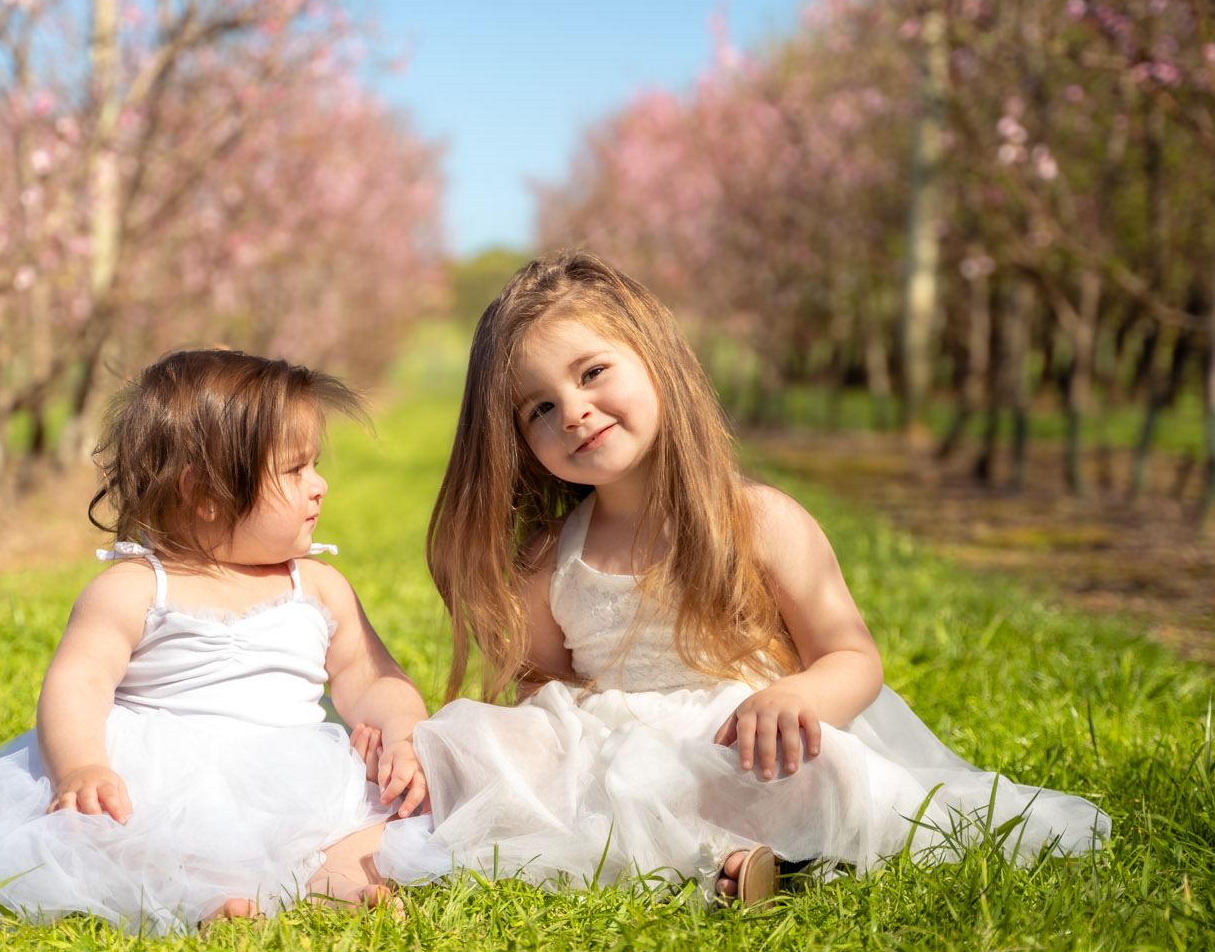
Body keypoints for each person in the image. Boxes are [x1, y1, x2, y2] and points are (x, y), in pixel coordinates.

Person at [376, 251, 1110, 904]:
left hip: (747, 745)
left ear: (656, 358)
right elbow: (543, 686)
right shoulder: (551, 558)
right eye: (539, 408)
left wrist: (796, 696)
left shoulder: (756, 520)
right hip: (620, 748)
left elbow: (853, 657)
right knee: (493, 745)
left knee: (812, 775)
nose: (574, 411)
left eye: (592, 372)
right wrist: (549, 748)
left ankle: (737, 851)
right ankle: (730, 862)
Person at [0, 349, 430, 934]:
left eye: (315, 466)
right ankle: (207, 901)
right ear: (206, 493)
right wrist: (82, 767)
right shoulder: (136, 588)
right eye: (296, 471)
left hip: (291, 775)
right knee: (136, 841)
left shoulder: (317, 586)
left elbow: (368, 676)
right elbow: (79, 683)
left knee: (359, 825)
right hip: (168, 779)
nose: (319, 486)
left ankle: (339, 882)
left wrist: (400, 731)